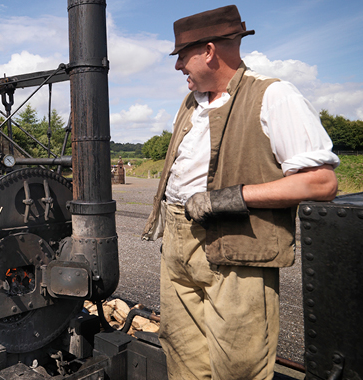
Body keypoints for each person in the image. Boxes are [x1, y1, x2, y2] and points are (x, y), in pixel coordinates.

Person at [142, 5, 339, 380]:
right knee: (181, 354)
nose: (177, 66)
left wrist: (231, 198)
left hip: (237, 248)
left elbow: (321, 182)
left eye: (182, 55)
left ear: (209, 51)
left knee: (238, 367)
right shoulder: (189, 104)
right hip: (178, 245)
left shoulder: (274, 95)